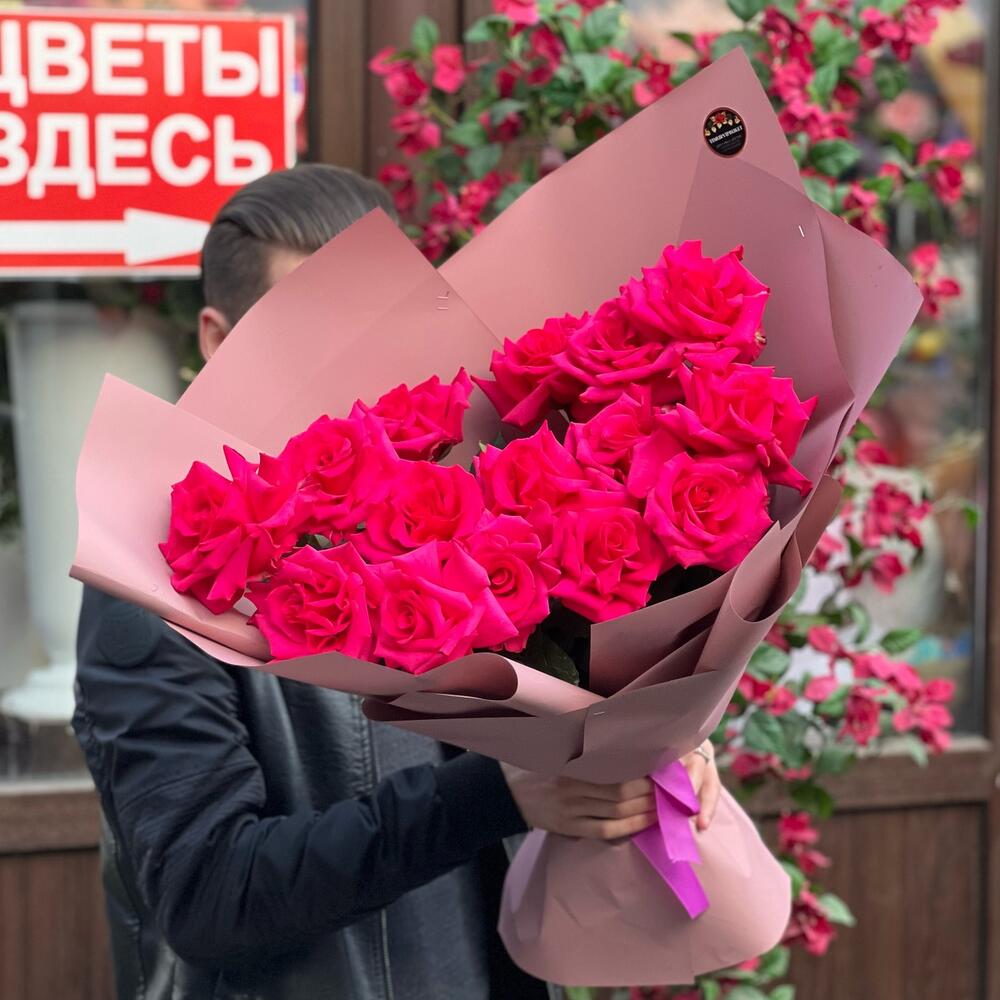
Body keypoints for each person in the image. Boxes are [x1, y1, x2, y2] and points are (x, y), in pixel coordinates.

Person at [73, 164, 721, 1000]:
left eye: (378, 327)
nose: (350, 368)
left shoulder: (458, 506)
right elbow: (208, 895)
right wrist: (494, 795)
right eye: (309, 334)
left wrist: (639, 749)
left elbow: (543, 760)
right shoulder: (150, 582)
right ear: (215, 339)